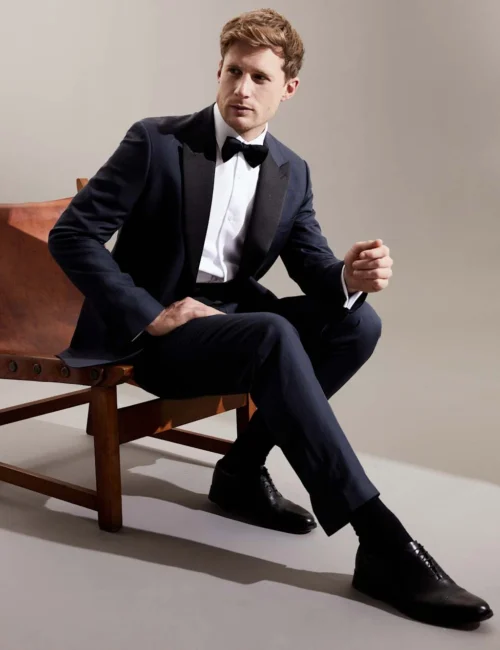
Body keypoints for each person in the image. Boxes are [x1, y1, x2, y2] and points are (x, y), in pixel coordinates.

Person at [48, 8, 493, 628]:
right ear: (219, 71)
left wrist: (349, 277)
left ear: (289, 88)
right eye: (233, 72)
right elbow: (72, 235)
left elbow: (312, 266)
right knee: (273, 333)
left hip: (234, 326)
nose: (242, 89)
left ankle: (240, 470)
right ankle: (380, 540)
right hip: (157, 341)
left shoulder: (291, 171)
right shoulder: (155, 141)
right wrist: (150, 315)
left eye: (259, 77)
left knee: (358, 325)